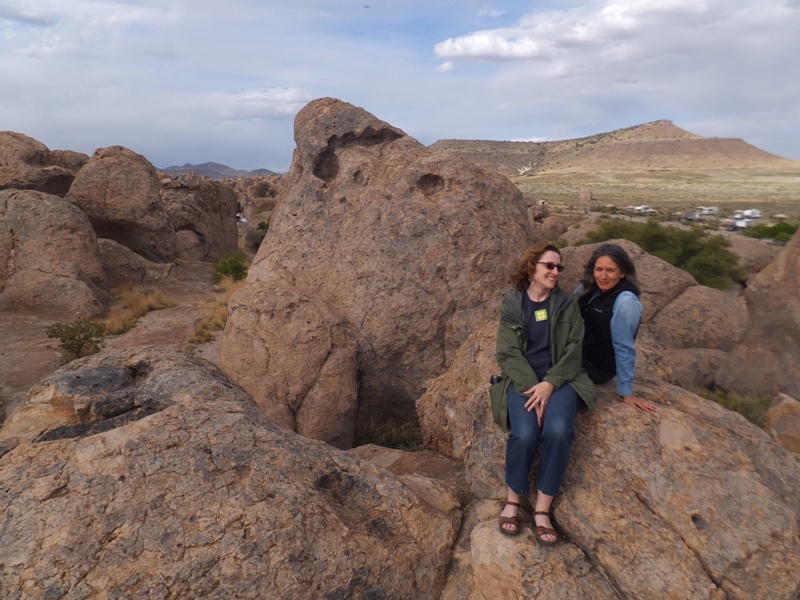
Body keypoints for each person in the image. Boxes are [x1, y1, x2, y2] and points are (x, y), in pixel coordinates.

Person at [490, 243, 596, 544]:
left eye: (558, 267)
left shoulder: (566, 305)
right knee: (524, 434)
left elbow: (575, 350)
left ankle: (542, 510)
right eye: (549, 266)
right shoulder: (512, 303)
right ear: (531, 268)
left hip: (561, 381)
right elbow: (507, 353)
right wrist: (532, 391)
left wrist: (549, 385)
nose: (555, 272)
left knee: (559, 430)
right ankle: (513, 500)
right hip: (523, 381)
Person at [577, 243, 657, 413]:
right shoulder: (591, 287)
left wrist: (625, 392)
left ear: (622, 272)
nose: (603, 276)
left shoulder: (625, 302)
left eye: (610, 270)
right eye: (599, 269)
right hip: (579, 351)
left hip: (596, 366)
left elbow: (624, 346)